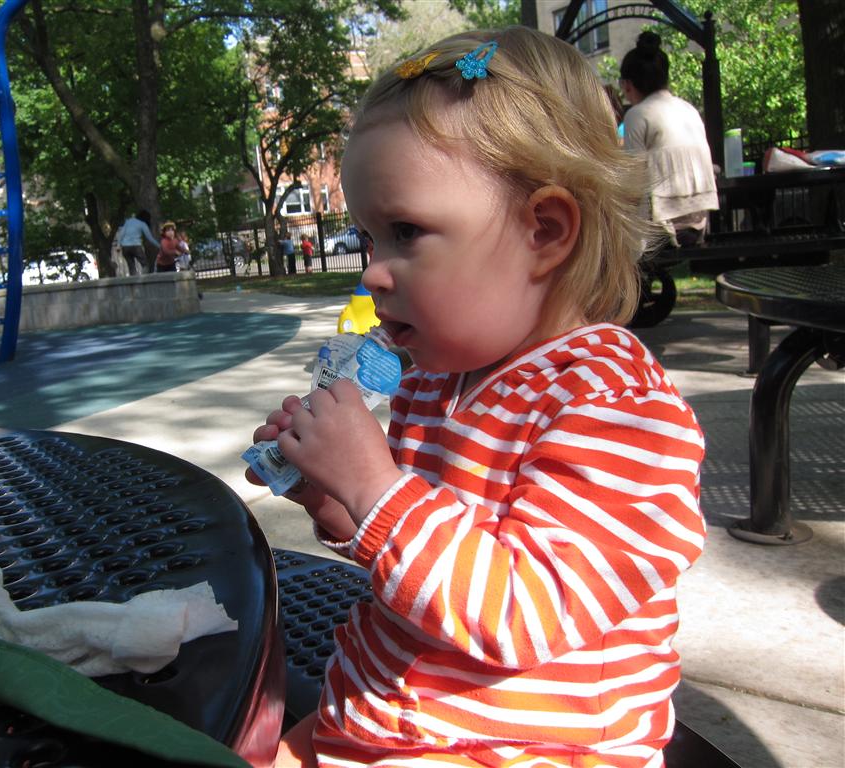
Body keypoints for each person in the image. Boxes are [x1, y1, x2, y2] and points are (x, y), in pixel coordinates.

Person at [250, 27, 706, 768]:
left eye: (405, 232)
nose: (372, 272)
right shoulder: (434, 380)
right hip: (388, 720)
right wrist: (335, 500)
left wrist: (375, 488)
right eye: (368, 238)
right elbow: (423, 569)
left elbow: (522, 613)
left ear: (544, 232)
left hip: (526, 747)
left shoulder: (615, 408)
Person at [620, 31, 718, 247]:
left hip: (663, 227)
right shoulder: (689, 110)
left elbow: (634, 180)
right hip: (699, 222)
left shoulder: (637, 114)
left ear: (627, 84)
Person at [115, 210, 158, 275]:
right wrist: (159, 245)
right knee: (145, 264)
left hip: (125, 247)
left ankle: (134, 278)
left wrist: (118, 245)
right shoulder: (142, 224)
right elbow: (150, 238)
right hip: (136, 246)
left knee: (131, 266)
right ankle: (143, 277)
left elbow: (122, 233)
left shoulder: (128, 221)